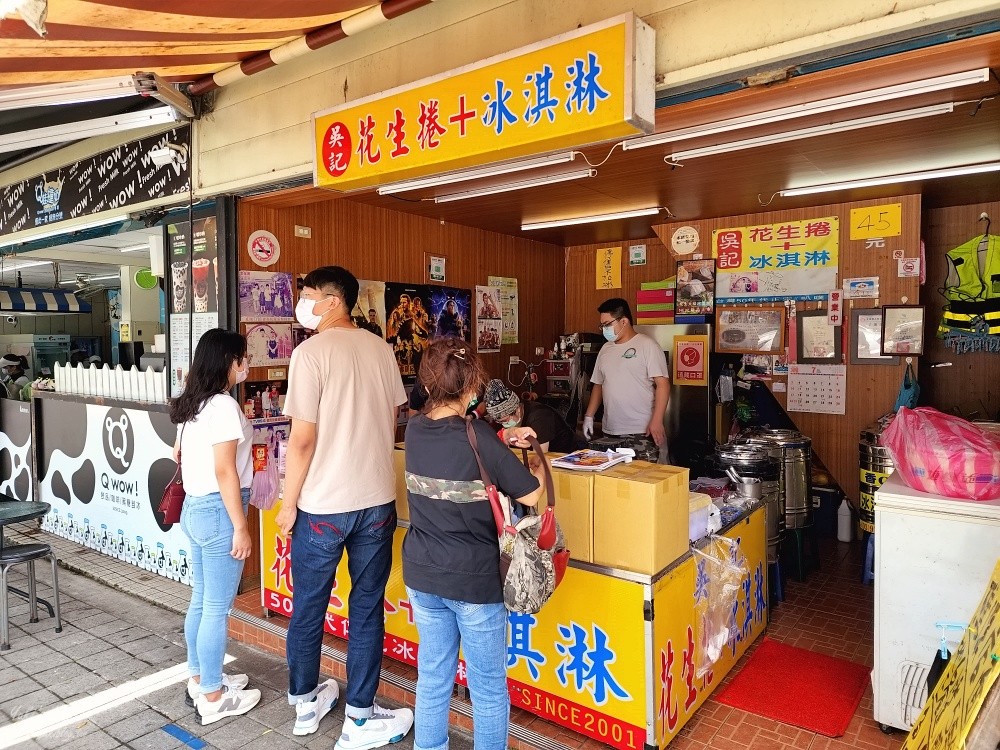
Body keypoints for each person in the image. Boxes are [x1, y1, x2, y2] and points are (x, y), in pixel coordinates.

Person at [276, 266, 413, 747]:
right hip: (376, 501)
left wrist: (288, 504)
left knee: (309, 607)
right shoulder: (382, 350)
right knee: (367, 609)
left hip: (321, 506)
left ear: (332, 301)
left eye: (309, 295)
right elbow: (394, 417)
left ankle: (305, 706)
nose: (304, 303)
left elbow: (303, 440)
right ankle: (359, 714)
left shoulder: (309, 354)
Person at [403, 338, 545, 750]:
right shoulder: (478, 434)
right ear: (471, 388)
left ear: (429, 384)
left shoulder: (414, 429)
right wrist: (522, 449)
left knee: (432, 678)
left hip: (423, 573)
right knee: (486, 688)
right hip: (474, 581)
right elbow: (532, 495)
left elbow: (455, 445)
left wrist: (501, 436)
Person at [169, 328, 260, 724]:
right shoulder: (221, 406)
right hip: (220, 511)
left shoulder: (194, 404)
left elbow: (180, 453)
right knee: (217, 608)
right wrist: (241, 527)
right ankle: (212, 695)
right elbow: (226, 471)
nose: (247, 364)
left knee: (203, 600)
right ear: (228, 362)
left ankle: (201, 676)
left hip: (196, 508)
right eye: (243, 358)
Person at [583, 298, 670, 462]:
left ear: (624, 321)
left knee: (642, 481)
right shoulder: (605, 349)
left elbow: (663, 385)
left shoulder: (647, 345)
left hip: (641, 431)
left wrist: (657, 420)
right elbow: (598, 385)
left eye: (607, 324)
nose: (604, 330)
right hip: (610, 431)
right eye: (602, 325)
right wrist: (589, 416)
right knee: (615, 483)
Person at [484, 378, 578, 453]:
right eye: (498, 421)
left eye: (504, 420)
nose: (503, 424)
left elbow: (540, 458)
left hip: (571, 456)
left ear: (516, 409)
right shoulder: (505, 421)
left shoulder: (540, 417)